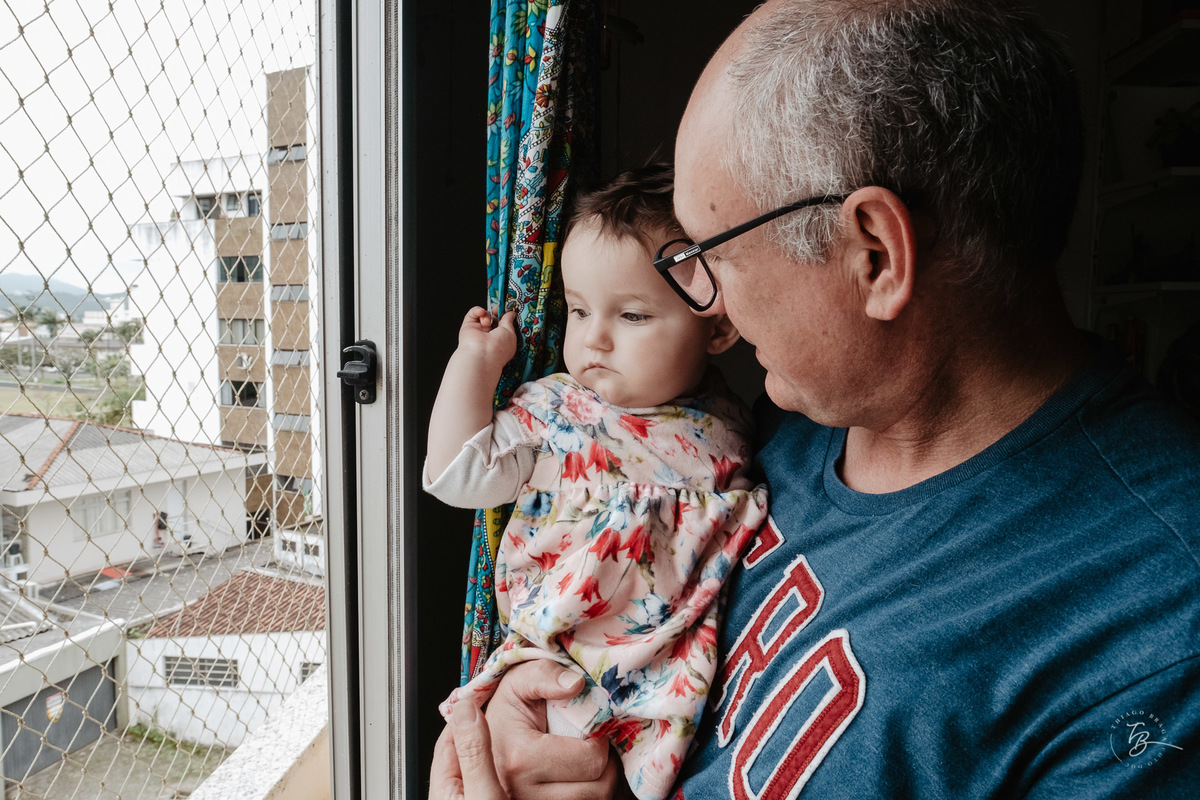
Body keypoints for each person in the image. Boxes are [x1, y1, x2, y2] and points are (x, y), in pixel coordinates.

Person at [431, 1, 1200, 798]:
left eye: (711, 256)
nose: (708, 306)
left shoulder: (1158, 628)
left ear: (876, 255)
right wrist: (546, 740)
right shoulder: (782, 426)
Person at [424, 163, 769, 800]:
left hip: (673, 688)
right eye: (578, 311)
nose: (594, 340)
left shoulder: (731, 420)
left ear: (717, 326)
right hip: (563, 673)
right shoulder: (559, 412)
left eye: (632, 316)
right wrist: (475, 362)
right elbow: (456, 476)